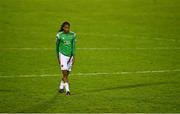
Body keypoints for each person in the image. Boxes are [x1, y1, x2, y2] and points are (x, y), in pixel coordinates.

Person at [56, 21, 76, 96]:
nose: (67, 29)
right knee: (64, 73)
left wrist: (74, 56)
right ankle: (68, 90)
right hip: (63, 56)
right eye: (65, 27)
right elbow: (57, 48)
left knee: (67, 74)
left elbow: (73, 47)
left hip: (70, 56)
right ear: (63, 28)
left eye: (68, 27)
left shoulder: (73, 35)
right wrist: (58, 57)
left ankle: (61, 87)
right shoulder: (59, 35)